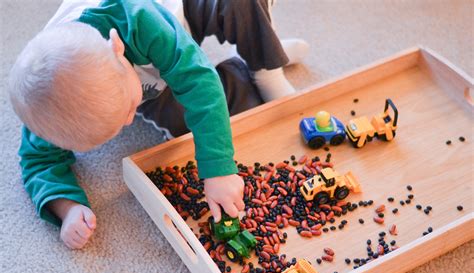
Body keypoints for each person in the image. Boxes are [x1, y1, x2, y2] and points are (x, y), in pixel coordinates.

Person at [8, 0, 309, 249]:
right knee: (201, 124)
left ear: (117, 48)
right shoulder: (49, 105)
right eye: (119, 124)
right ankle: (240, 70)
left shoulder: (136, 17)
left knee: (240, 6)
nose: (130, 119)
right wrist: (67, 209)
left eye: (127, 108)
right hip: (153, 83)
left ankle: (266, 66)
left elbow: (197, 78)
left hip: (181, 13)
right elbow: (37, 162)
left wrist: (219, 169)